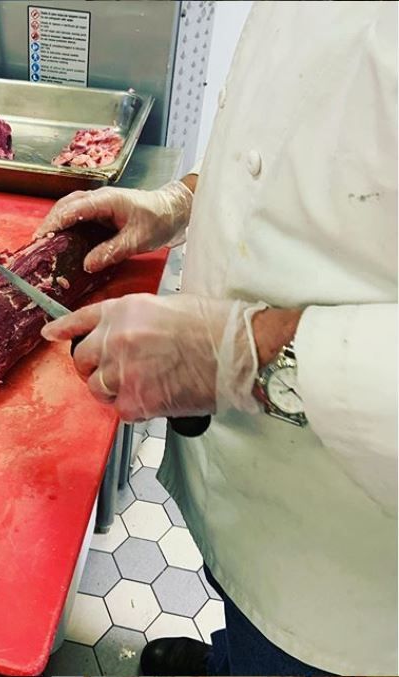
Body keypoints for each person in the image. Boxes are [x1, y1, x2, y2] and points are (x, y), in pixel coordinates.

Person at [36, 3, 397, 675]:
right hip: (253, 480)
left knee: (291, 650)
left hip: (359, 561)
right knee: (235, 601)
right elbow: (291, 128)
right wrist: (178, 203)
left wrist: (252, 352)